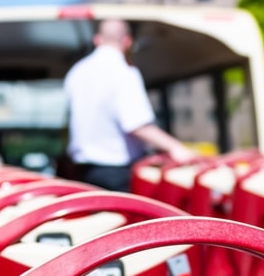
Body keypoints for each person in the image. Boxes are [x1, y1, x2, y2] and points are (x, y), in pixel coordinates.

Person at [63, 18, 198, 192]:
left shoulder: (77, 72)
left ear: (97, 39)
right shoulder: (124, 72)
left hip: (84, 171)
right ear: (127, 42)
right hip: (118, 173)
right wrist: (177, 148)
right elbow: (137, 124)